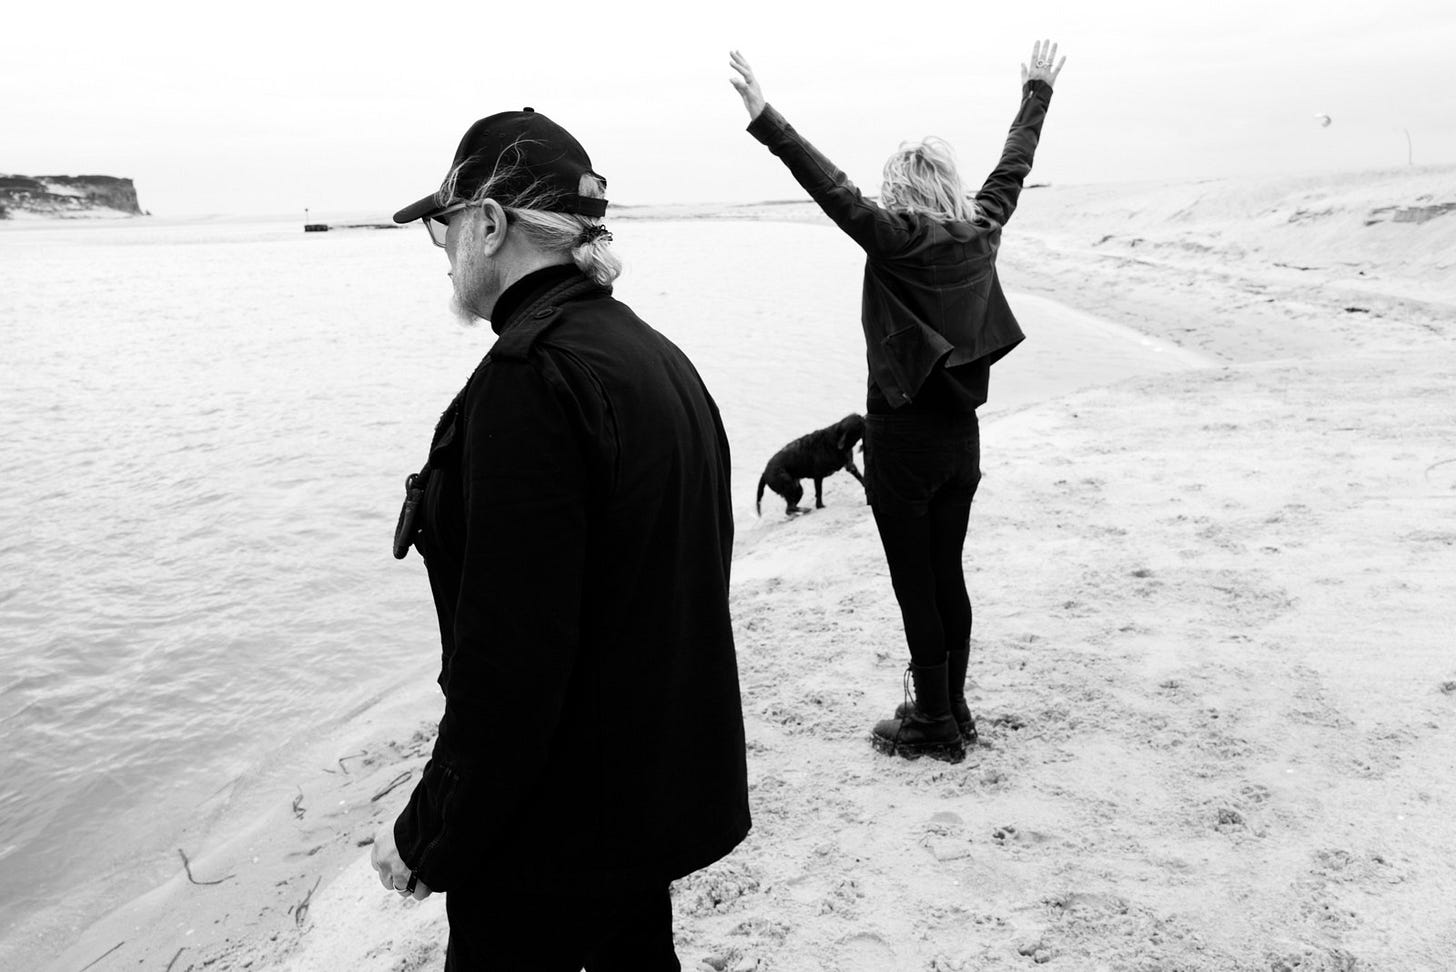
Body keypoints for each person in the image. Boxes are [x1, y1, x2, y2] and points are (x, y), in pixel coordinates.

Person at [369, 107, 750, 971]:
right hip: (638, 803)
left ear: (492, 224)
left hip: (552, 834)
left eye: (445, 227)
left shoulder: (530, 383)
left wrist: (432, 829)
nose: (442, 250)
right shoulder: (655, 357)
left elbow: (511, 664)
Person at [728, 42, 1066, 763]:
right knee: (949, 576)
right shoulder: (984, 231)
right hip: (961, 443)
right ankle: (956, 710)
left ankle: (933, 726)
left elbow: (834, 190)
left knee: (918, 586)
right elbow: (1014, 166)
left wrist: (766, 119)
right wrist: (1036, 92)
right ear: (948, 186)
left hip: (903, 445)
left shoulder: (894, 240)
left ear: (901, 190)